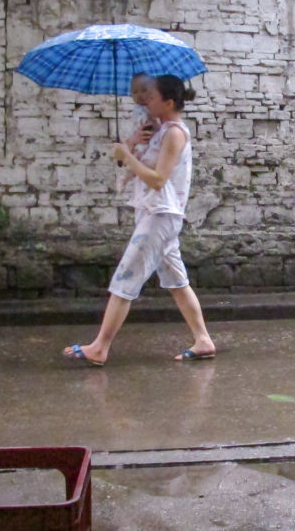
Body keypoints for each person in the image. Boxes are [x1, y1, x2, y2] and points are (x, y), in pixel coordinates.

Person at [64, 75, 216, 365]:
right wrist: (132, 144)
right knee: (176, 281)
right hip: (153, 212)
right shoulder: (157, 129)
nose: (145, 99)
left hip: (162, 214)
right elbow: (131, 164)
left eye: (152, 96)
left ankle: (100, 347)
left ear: (169, 102)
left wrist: (128, 157)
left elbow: (158, 179)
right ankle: (203, 339)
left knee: (125, 277)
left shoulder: (175, 133)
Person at [115, 73, 159, 199]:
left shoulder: (155, 108)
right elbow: (143, 123)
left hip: (151, 144)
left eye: (144, 91)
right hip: (142, 143)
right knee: (136, 163)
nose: (140, 95)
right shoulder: (139, 109)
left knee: (146, 165)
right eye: (135, 92)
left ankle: (127, 180)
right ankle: (124, 179)